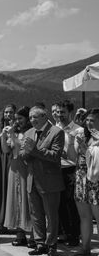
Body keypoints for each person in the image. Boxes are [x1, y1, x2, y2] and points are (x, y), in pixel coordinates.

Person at [20, 106, 64, 256]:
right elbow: (22, 154)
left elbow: (55, 156)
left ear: (45, 117)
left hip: (49, 181)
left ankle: (52, 245)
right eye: (30, 117)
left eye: (35, 117)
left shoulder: (57, 132)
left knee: (51, 215)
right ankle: (40, 244)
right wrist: (26, 152)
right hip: (32, 179)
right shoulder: (28, 133)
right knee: (36, 214)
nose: (32, 120)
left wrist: (34, 150)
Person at [1, 107, 34, 246]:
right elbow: (5, 150)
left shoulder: (30, 132)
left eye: (20, 118)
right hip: (14, 167)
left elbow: (22, 149)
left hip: (26, 167)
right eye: (16, 119)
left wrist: (13, 135)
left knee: (28, 200)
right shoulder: (16, 132)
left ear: (27, 119)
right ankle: (20, 234)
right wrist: (4, 136)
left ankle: (34, 235)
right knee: (16, 199)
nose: (17, 121)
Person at [53, 100, 83, 247]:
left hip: (71, 170)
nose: (60, 115)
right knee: (60, 204)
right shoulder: (53, 128)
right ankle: (64, 232)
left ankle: (74, 235)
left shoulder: (78, 130)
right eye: (58, 112)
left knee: (71, 204)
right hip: (56, 170)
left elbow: (75, 155)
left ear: (70, 112)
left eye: (63, 112)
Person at [73, 109, 99, 256]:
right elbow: (77, 156)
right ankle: (85, 247)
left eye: (93, 120)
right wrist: (81, 146)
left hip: (96, 179)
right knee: (84, 216)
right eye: (87, 120)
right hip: (81, 177)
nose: (89, 123)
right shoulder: (84, 135)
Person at [0, 104, 16, 234]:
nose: (8, 115)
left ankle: (13, 221)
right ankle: (0, 222)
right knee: (1, 188)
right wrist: (3, 133)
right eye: (6, 112)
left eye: (11, 112)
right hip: (0, 158)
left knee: (11, 189)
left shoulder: (17, 126)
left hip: (13, 157)